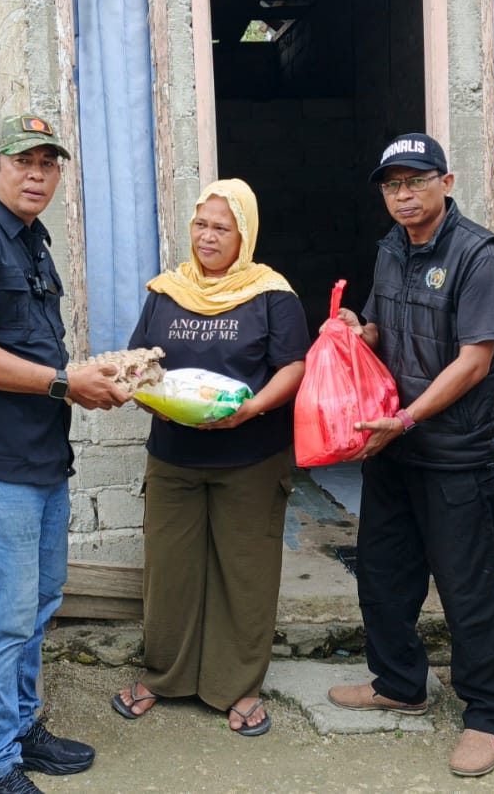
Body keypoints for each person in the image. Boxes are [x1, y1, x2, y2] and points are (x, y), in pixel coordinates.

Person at [0, 114, 131, 794]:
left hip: (39, 455)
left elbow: (30, 350)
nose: (37, 174)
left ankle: (18, 727)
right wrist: (65, 382)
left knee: (35, 605)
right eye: (23, 162)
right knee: (1, 618)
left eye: (48, 163)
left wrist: (84, 377)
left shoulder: (31, 241)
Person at [325, 133, 494, 778]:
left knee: (466, 588)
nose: (403, 195)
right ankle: (399, 683)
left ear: (447, 182)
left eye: (416, 181)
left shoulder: (479, 256)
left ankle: (490, 713)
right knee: (383, 575)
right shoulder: (391, 249)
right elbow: (381, 328)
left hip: (454, 451)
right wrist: (355, 332)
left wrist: (409, 417)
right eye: (392, 185)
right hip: (393, 446)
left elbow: (475, 360)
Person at [110, 179, 309, 736]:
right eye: (201, 224)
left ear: (244, 235)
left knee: (244, 571)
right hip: (174, 455)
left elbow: (294, 366)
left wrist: (251, 409)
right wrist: (140, 390)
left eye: (223, 227)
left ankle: (236, 685)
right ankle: (165, 675)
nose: (208, 236)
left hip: (251, 456)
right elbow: (141, 360)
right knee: (169, 568)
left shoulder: (272, 293)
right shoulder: (166, 290)